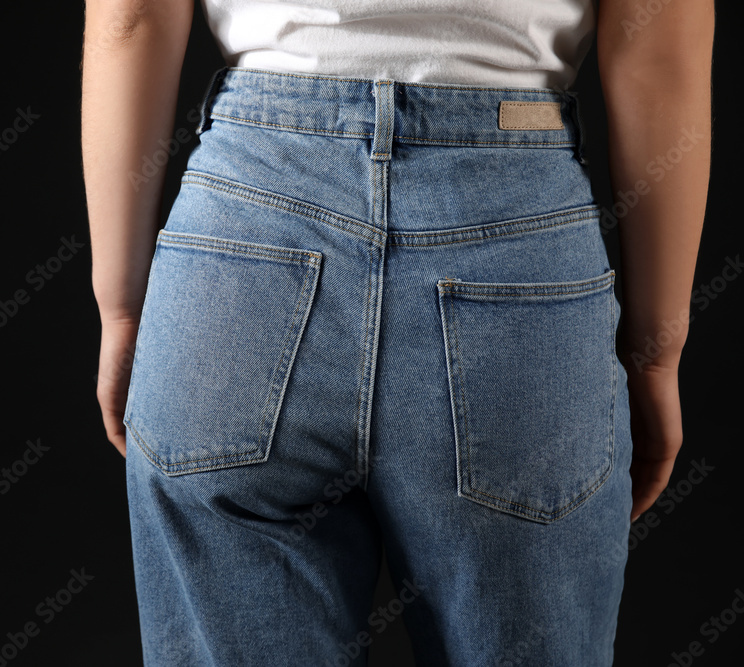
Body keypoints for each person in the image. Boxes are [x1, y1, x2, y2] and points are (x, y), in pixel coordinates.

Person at [81, 0, 714, 664]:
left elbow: (132, 20)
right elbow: (660, 46)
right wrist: (656, 352)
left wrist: (121, 307)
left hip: (242, 247)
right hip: (515, 251)